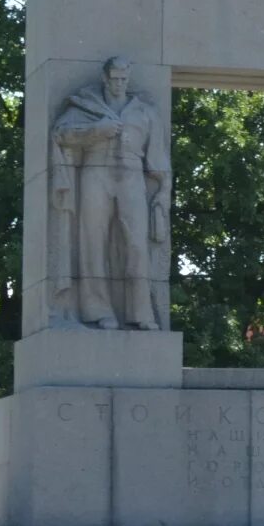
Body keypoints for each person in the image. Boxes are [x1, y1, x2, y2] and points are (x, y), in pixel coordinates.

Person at [49, 55, 170, 330]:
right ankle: (99, 311)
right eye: (114, 78)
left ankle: (141, 313)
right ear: (105, 78)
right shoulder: (87, 104)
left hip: (131, 176)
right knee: (93, 243)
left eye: (123, 79)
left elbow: (158, 161)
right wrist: (96, 130)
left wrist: (163, 191)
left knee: (137, 245)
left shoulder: (144, 111)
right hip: (95, 173)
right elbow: (61, 133)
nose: (119, 84)